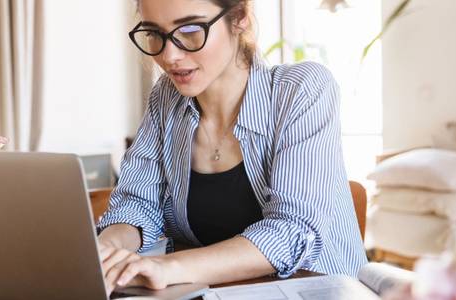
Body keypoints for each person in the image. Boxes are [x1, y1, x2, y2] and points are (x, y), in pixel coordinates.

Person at [96, 0, 368, 294]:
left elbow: (291, 232)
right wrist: (105, 250)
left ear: (239, 18)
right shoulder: (165, 98)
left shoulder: (301, 89)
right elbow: (137, 203)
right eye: (153, 32)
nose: (169, 55)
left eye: (189, 29)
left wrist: (169, 268)